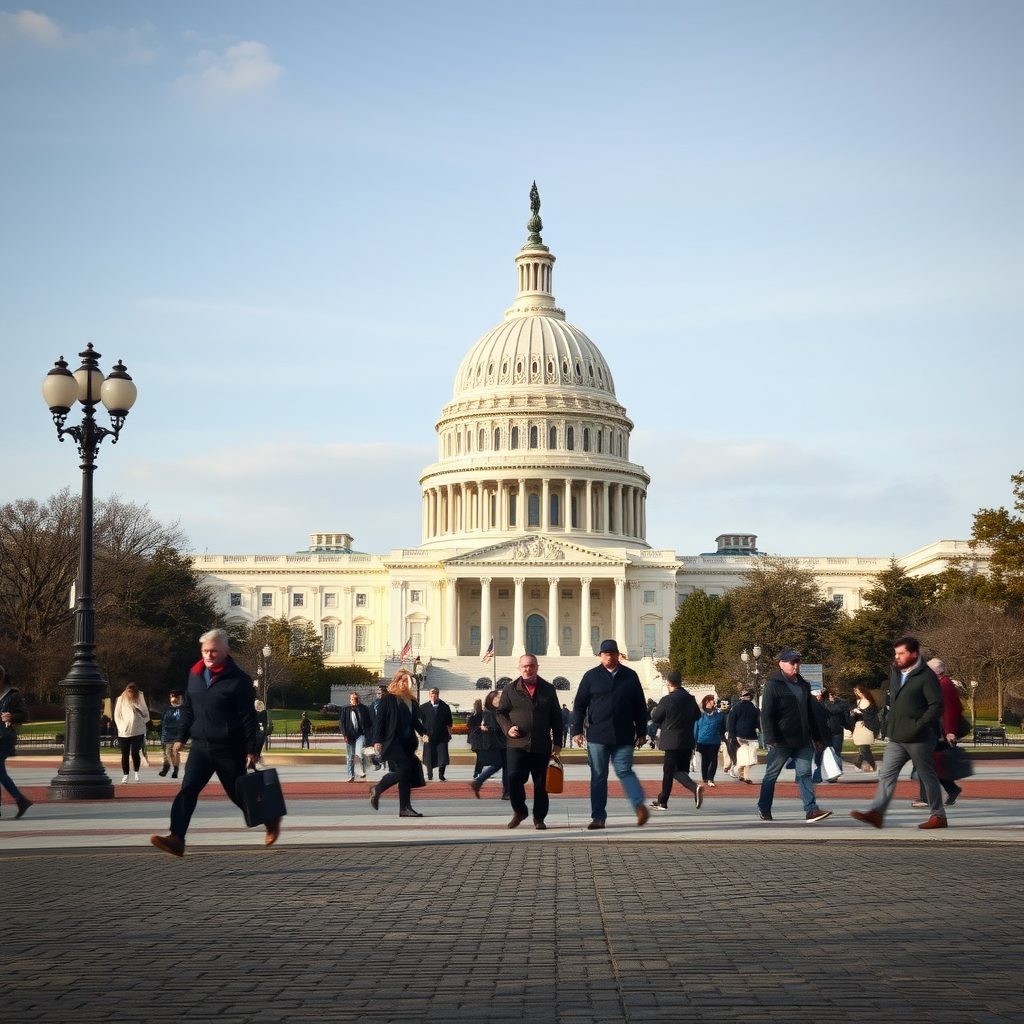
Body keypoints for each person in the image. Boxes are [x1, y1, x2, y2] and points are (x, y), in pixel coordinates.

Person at [150, 629, 279, 856]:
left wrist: (252, 750)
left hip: (229, 747)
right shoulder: (195, 674)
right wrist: (181, 737)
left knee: (238, 794)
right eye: (205, 651)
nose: (208, 655)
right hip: (201, 746)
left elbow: (248, 718)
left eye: (213, 651)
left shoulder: (239, 680)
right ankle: (176, 837)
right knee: (187, 790)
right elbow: (189, 709)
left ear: (226, 651)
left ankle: (269, 818)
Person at [850, 636, 946, 830]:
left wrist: (920, 724)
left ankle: (938, 816)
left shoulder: (926, 676)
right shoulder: (895, 673)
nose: (897, 657)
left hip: (919, 737)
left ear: (914, 654)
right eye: (896, 653)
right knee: (886, 774)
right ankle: (877, 813)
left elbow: (936, 705)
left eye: (901, 653)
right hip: (897, 736)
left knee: (926, 776)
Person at [571, 639, 650, 830]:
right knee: (598, 775)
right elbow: (580, 705)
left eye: (612, 653)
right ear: (600, 656)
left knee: (624, 770)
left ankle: (639, 805)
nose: (609, 657)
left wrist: (642, 731)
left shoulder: (630, 676)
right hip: (598, 734)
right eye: (605, 653)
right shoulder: (591, 676)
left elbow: (640, 705)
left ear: (618, 655)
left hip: (624, 733)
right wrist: (576, 730)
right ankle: (598, 816)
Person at [757, 650, 832, 823]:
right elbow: (766, 713)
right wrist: (770, 737)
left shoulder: (803, 685)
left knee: (805, 773)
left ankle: (811, 810)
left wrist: (817, 737)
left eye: (797, 662)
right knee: (771, 775)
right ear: (781, 664)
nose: (795, 665)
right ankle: (764, 807)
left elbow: (810, 713)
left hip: (803, 739)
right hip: (782, 739)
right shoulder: (773, 684)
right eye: (792, 662)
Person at [495, 655, 563, 829]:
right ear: (519, 668)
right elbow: (500, 713)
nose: (528, 669)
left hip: (541, 743)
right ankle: (520, 810)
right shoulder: (510, 689)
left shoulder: (548, 689)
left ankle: (539, 818)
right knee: (514, 778)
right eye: (524, 666)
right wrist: (508, 727)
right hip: (517, 743)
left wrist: (558, 742)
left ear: (537, 667)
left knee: (541, 783)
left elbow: (556, 717)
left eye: (531, 666)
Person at [369, 669, 426, 817]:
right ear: (396, 681)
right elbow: (379, 721)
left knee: (406, 776)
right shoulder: (388, 699)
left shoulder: (412, 701)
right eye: (402, 681)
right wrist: (377, 740)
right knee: (404, 771)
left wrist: (425, 733)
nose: (405, 684)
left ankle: (405, 808)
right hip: (393, 742)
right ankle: (378, 788)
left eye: (407, 681)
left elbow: (415, 722)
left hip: (408, 743)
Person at [912, 658, 965, 807]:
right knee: (932, 764)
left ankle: (926, 798)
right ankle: (951, 789)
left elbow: (949, 711)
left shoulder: (943, 686)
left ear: (936, 672)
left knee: (925, 763)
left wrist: (950, 732)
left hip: (938, 732)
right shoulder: (942, 684)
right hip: (937, 730)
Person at [648, 672, 703, 811]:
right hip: (687, 739)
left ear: (669, 683)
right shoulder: (690, 699)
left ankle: (665, 800)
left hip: (671, 739)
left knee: (669, 771)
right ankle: (663, 798)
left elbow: (656, 717)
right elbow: (697, 715)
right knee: (680, 770)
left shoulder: (667, 700)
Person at [0, 663, 33, 819]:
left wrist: (12, 717)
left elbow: (25, 715)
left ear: (3, 678)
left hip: (5, 737)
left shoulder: (13, 695)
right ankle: (20, 800)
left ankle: (20, 800)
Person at [469, 689, 507, 799]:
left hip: (499, 742)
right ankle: (506, 792)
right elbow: (494, 728)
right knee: (503, 765)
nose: (501, 700)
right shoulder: (490, 713)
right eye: (498, 698)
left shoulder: (496, 712)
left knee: (501, 765)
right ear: (492, 700)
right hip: (498, 743)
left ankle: (479, 781)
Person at [114, 682, 149, 783]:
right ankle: (126, 774)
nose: (131, 694)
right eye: (129, 692)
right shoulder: (121, 699)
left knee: (135, 752)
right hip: (124, 731)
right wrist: (121, 726)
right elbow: (117, 715)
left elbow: (146, 715)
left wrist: (142, 719)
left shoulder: (140, 699)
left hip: (138, 730)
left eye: (133, 692)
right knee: (125, 753)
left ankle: (136, 772)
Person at [726, 689, 760, 784]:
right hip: (751, 735)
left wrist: (731, 736)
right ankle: (745, 775)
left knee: (743, 756)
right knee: (749, 757)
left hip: (739, 735)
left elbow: (731, 723)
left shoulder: (736, 707)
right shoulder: (754, 708)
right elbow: (757, 722)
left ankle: (742, 773)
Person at [420, 687, 453, 781]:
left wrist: (449, 733)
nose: (433, 696)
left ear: (438, 695)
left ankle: (441, 774)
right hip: (428, 735)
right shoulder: (424, 707)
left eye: (435, 694)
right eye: (431, 694)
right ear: (429, 695)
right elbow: (417, 721)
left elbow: (449, 722)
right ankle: (429, 774)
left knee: (443, 755)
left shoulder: (444, 707)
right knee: (429, 755)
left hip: (442, 735)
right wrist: (422, 734)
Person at [694, 694, 725, 787]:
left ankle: (710, 778)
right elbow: (696, 728)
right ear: (706, 702)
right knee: (705, 759)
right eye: (711, 701)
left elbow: (722, 726)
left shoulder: (718, 714)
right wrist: (694, 740)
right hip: (702, 740)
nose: (713, 703)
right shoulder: (700, 714)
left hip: (714, 740)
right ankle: (705, 777)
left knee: (713, 759)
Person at [341, 691, 373, 782]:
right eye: (352, 698)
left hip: (360, 734)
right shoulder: (345, 709)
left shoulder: (363, 708)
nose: (354, 700)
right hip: (350, 735)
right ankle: (351, 775)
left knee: (360, 754)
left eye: (355, 698)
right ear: (350, 699)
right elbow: (342, 723)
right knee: (350, 756)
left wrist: (368, 734)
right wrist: (345, 734)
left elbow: (369, 722)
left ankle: (362, 772)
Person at [848, 684, 879, 772]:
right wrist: (853, 713)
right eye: (857, 693)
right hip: (860, 725)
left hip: (867, 726)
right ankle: (872, 765)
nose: (858, 694)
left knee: (864, 747)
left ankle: (858, 764)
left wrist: (861, 712)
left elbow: (871, 714)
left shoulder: (870, 701)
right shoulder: (858, 701)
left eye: (859, 692)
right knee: (865, 748)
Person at [158, 689, 185, 778]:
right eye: (171, 696)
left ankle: (175, 769)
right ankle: (166, 767)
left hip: (177, 733)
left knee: (174, 752)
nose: (172, 698)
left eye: (174, 696)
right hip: (167, 733)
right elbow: (164, 719)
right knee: (167, 752)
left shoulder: (182, 708)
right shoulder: (167, 708)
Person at [466, 698, 484, 779]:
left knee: (480, 756)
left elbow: (469, 726)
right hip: (480, 738)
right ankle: (477, 772)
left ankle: (478, 772)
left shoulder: (472, 716)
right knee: (481, 756)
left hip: (475, 739)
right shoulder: (482, 715)